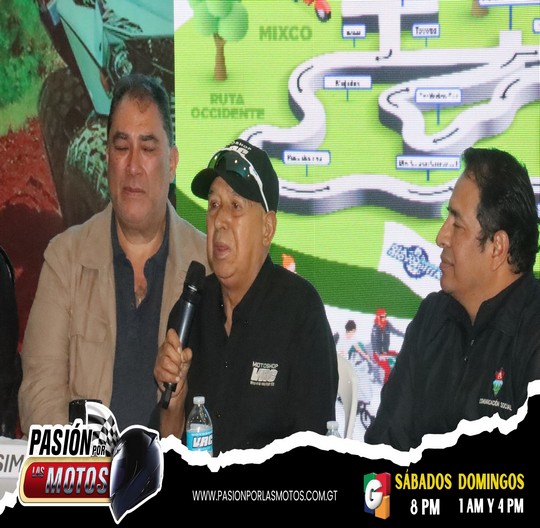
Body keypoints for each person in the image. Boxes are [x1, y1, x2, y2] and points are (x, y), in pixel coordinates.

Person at [18, 73, 208, 435]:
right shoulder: (65, 259)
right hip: (84, 467)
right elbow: (39, 396)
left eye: (148, 148)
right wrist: (94, 464)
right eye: (121, 147)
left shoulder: (207, 267)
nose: (133, 166)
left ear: (172, 163)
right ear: (107, 157)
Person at [154, 138, 339, 454]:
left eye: (236, 206)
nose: (219, 220)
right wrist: (173, 403)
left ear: (267, 228)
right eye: (214, 205)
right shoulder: (190, 310)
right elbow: (168, 452)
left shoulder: (300, 313)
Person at [364, 146, 540, 451]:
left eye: (457, 225)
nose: (441, 237)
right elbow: (384, 447)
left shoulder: (534, 330)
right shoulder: (432, 317)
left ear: (497, 247)